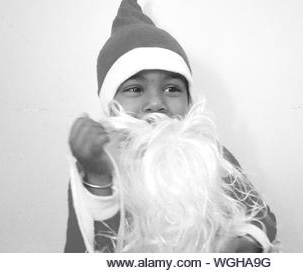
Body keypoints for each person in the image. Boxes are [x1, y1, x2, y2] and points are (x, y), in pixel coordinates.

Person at [64, 0, 277, 252]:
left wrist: (246, 241)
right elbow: (85, 251)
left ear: (189, 101)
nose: (156, 103)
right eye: (135, 89)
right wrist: (98, 176)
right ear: (111, 105)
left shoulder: (208, 155)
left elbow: (261, 216)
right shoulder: (98, 163)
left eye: (172, 89)